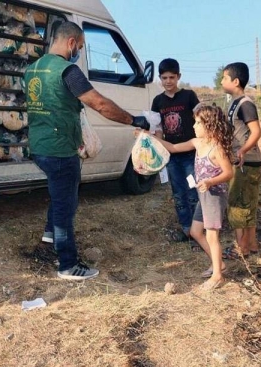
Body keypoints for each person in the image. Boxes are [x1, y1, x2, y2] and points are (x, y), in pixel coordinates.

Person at [24, 21, 150, 280]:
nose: (78, 51)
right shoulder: (68, 71)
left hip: (39, 145)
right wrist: (132, 119)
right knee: (65, 205)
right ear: (71, 43)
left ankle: (49, 236)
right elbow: (100, 104)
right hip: (60, 149)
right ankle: (68, 265)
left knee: (59, 193)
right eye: (79, 46)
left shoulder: (32, 69)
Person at [151, 105, 234, 290]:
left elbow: (229, 173)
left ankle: (217, 276)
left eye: (198, 123)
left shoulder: (216, 148)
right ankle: (218, 263)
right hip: (204, 196)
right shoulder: (197, 143)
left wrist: (211, 182)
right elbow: (172, 147)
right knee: (196, 232)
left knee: (212, 236)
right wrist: (152, 138)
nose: (194, 126)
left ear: (210, 125)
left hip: (214, 196)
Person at [151, 58, 200, 247]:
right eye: (164, 78)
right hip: (172, 157)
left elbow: (200, 119)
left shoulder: (189, 96)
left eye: (172, 77)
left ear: (179, 76)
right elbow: (158, 127)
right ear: (159, 78)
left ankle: (199, 232)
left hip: (190, 155)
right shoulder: (158, 101)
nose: (168, 81)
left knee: (193, 191)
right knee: (178, 192)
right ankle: (186, 229)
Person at [220, 62, 261, 259]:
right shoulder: (234, 102)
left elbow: (256, 132)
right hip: (242, 161)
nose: (222, 81)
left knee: (238, 206)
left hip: (246, 163)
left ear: (235, 81)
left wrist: (242, 151)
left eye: (224, 78)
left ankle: (241, 249)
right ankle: (251, 245)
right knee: (247, 204)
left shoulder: (246, 104)